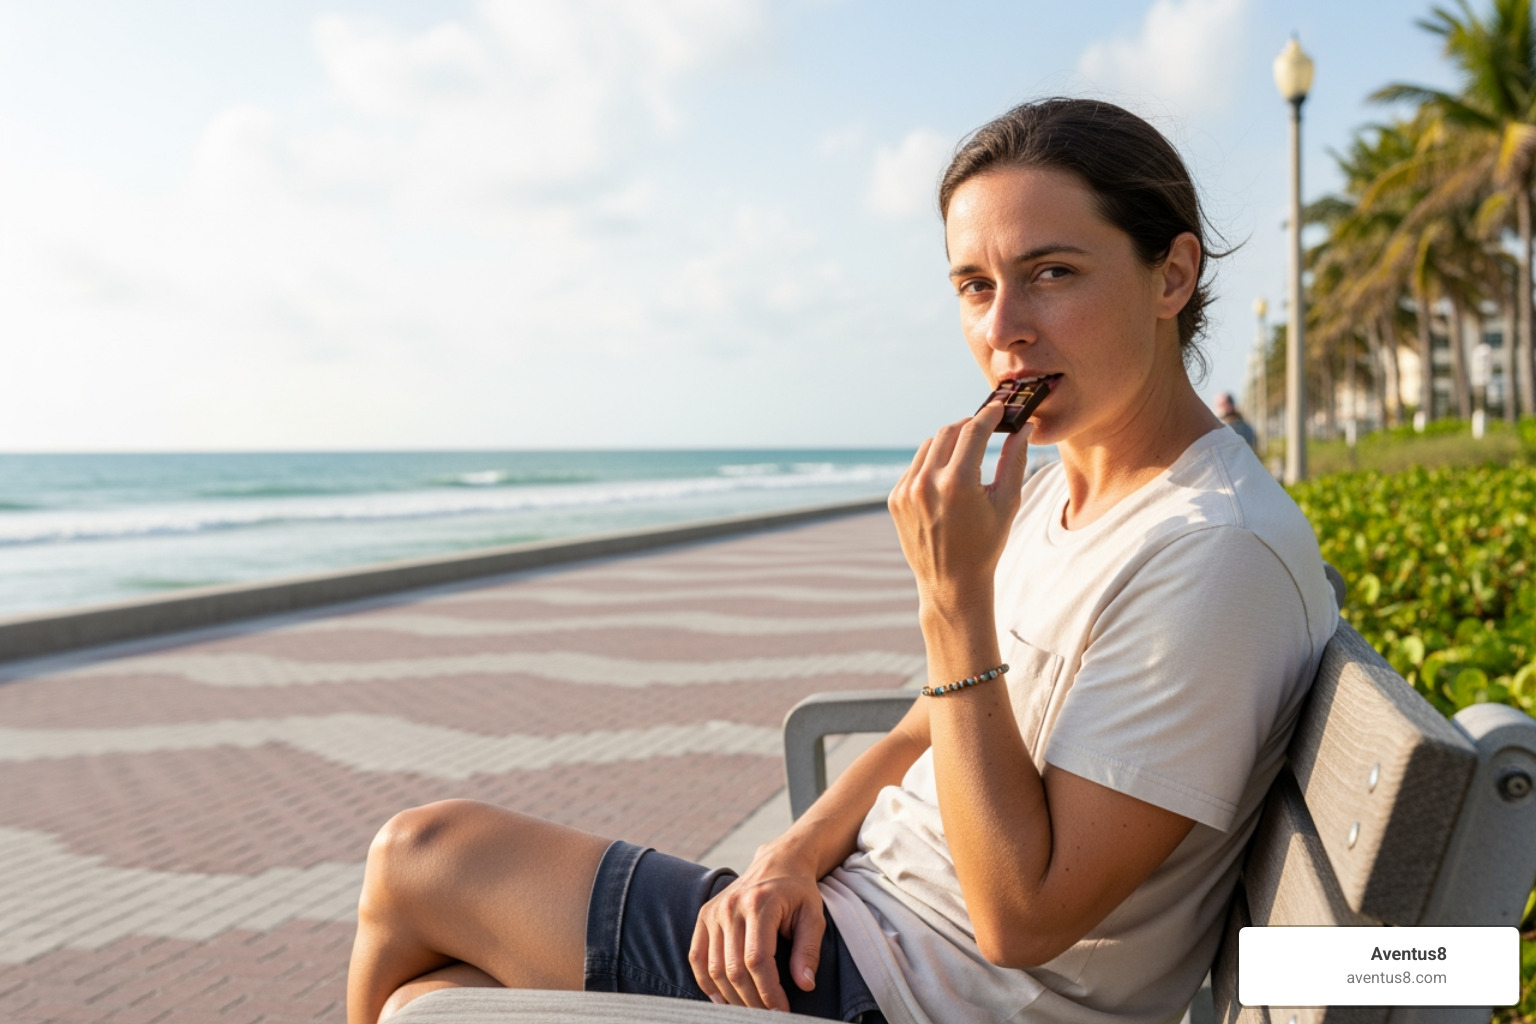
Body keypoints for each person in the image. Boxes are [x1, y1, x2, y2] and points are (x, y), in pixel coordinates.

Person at [345, 98, 1338, 1024]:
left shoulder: (1213, 553)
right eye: (976, 286)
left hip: (910, 992)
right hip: (850, 924)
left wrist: (951, 598)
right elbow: (929, 726)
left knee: (420, 858)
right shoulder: (1062, 488)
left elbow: (1023, 920)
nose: (1002, 331)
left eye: (1052, 273)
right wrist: (785, 857)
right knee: (434, 991)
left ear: (1172, 276)